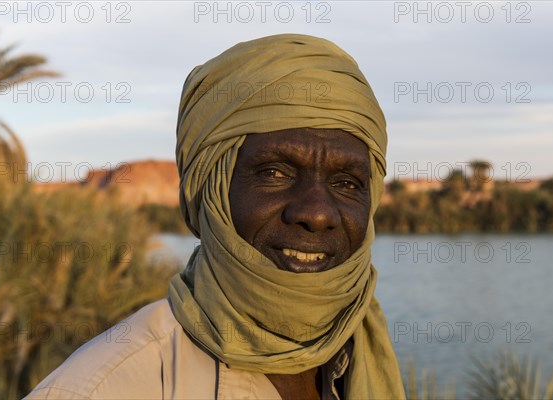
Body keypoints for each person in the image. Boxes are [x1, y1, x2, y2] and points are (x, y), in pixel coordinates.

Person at [25, 34, 406, 400]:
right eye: (274, 173)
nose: (317, 213)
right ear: (211, 191)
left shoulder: (357, 350)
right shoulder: (101, 388)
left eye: (346, 182)